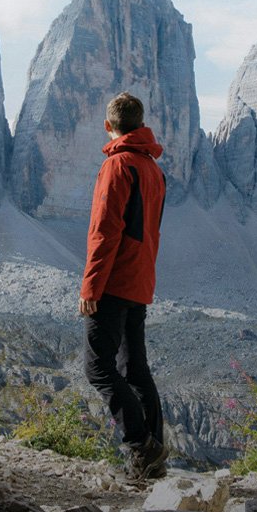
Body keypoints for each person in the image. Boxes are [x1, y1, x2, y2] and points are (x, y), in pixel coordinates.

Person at [79, 92, 169, 482]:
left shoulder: (118, 166)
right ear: (141, 122)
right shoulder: (153, 168)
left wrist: (91, 287)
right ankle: (155, 455)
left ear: (108, 125)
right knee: (135, 369)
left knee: (98, 367)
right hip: (141, 279)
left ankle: (141, 446)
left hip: (115, 281)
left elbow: (105, 232)